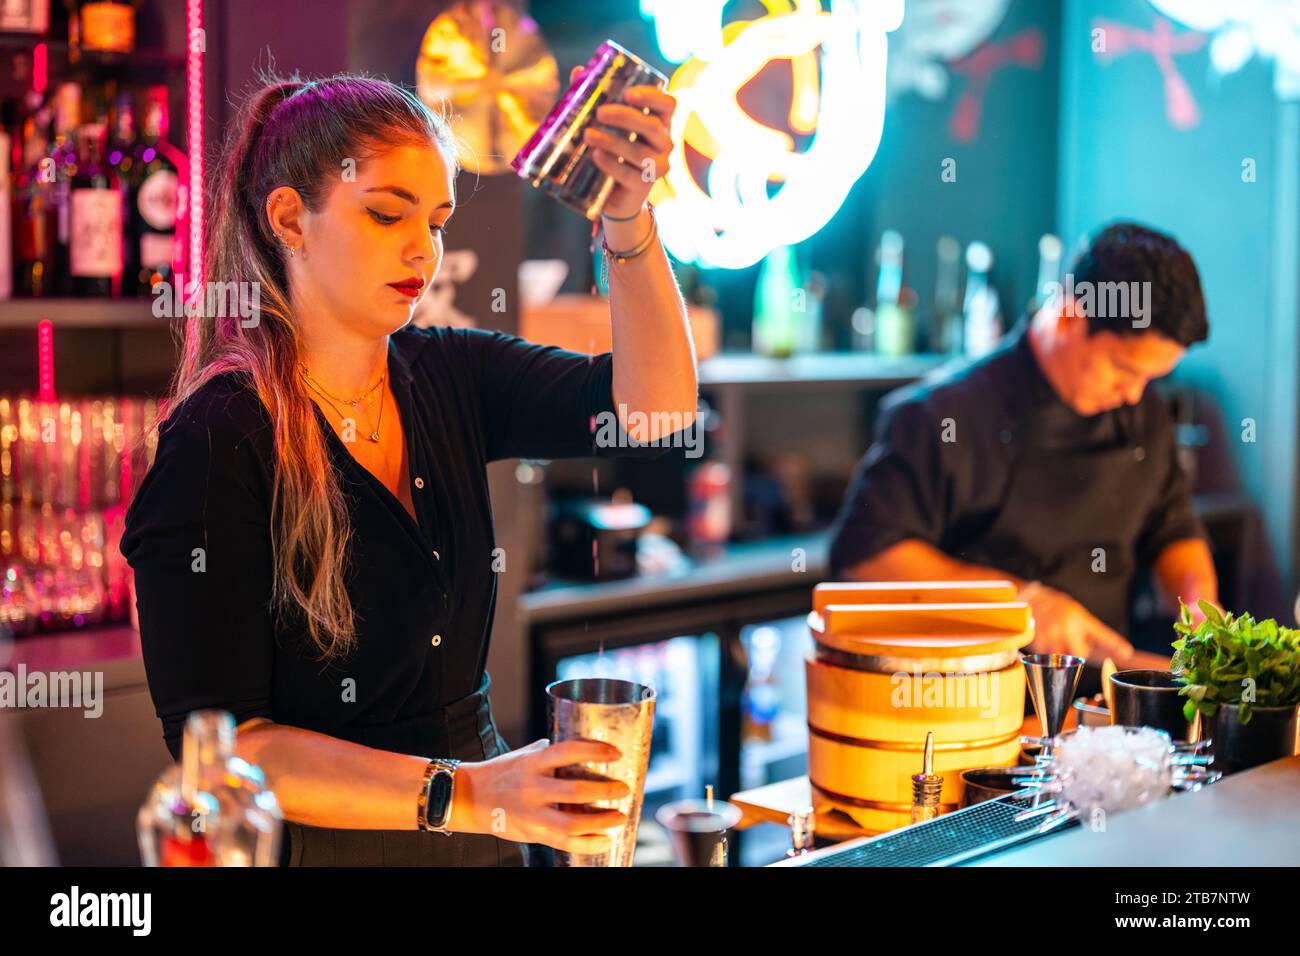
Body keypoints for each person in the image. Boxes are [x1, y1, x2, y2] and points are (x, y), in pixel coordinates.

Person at [120, 71, 697, 866]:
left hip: (487, 843)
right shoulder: (220, 438)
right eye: (387, 213)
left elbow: (656, 413)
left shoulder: (452, 373)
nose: (422, 249)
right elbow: (226, 747)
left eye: (436, 221)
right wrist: (470, 794)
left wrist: (629, 217)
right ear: (288, 217)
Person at [829, 223, 1219, 661]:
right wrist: (1023, 601)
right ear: (1072, 315)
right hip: (974, 696)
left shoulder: (1143, 412)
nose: (1133, 394)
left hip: (1099, 705)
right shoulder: (941, 414)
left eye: (1150, 378)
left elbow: (1173, 527)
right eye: (1123, 369)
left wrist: (1199, 608)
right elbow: (867, 557)